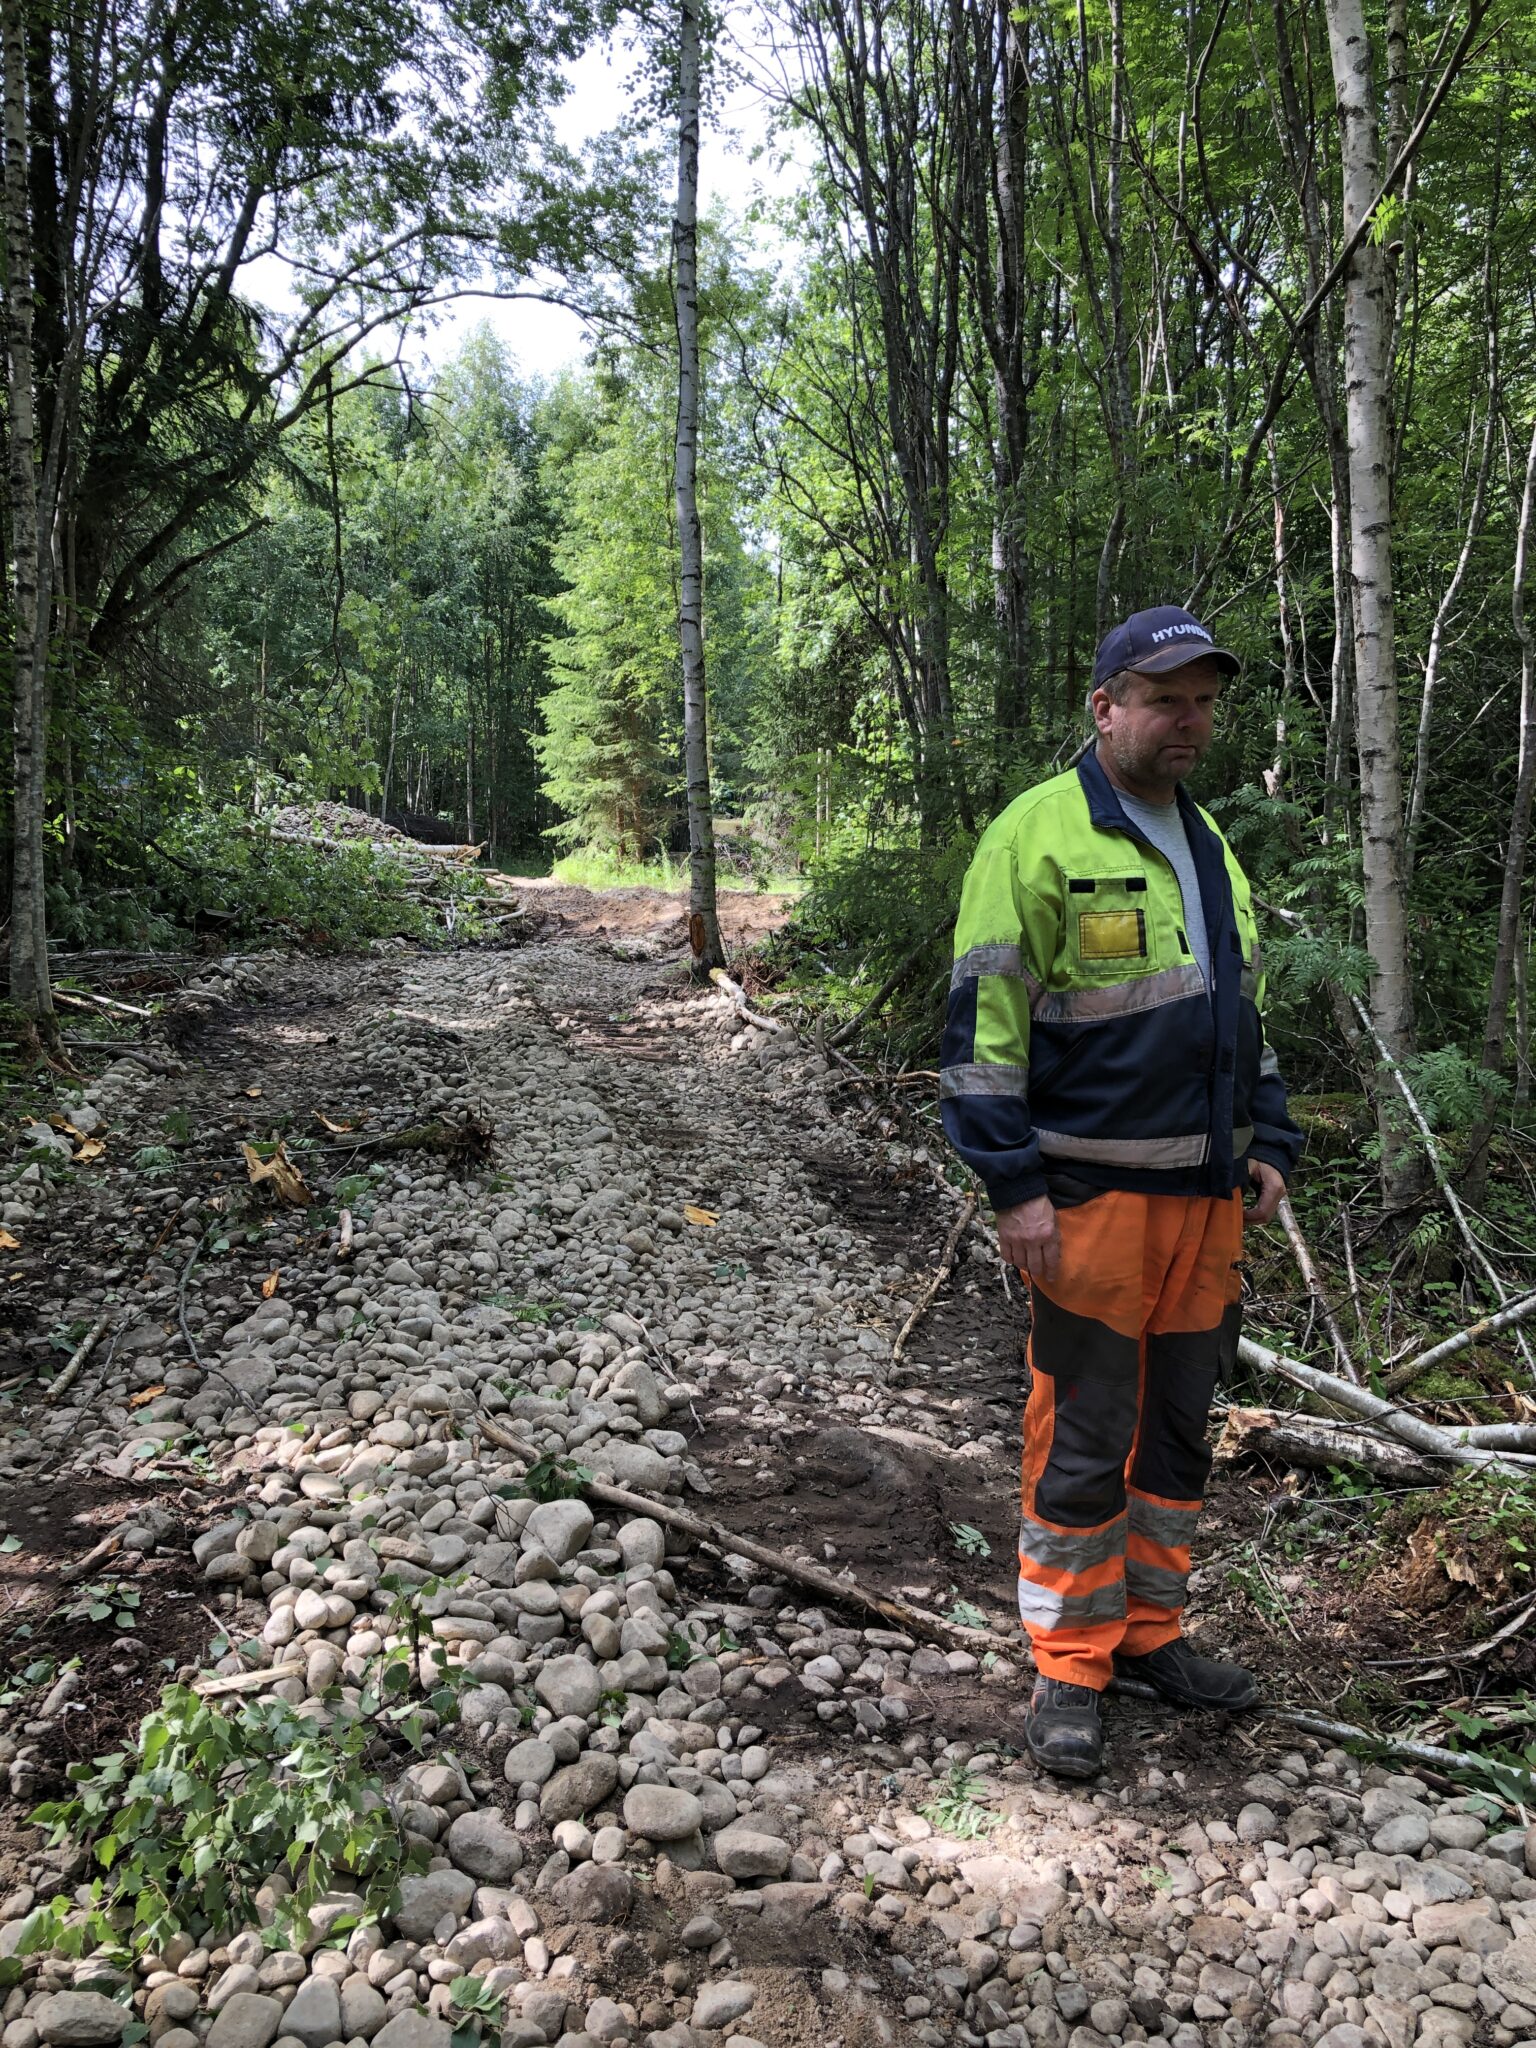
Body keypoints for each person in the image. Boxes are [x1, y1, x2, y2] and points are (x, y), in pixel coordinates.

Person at [939, 604, 1302, 1779]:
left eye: (1203, 701)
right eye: (1163, 699)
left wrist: (1271, 1136)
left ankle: (1150, 1630)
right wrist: (1014, 1186)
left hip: (1206, 1202)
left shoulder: (1210, 844)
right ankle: (1070, 1659)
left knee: (1177, 1428)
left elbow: (1240, 1014)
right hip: (1089, 1199)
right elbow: (983, 1035)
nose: (1187, 720)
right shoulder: (1035, 836)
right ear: (1105, 707)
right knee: (1085, 1429)